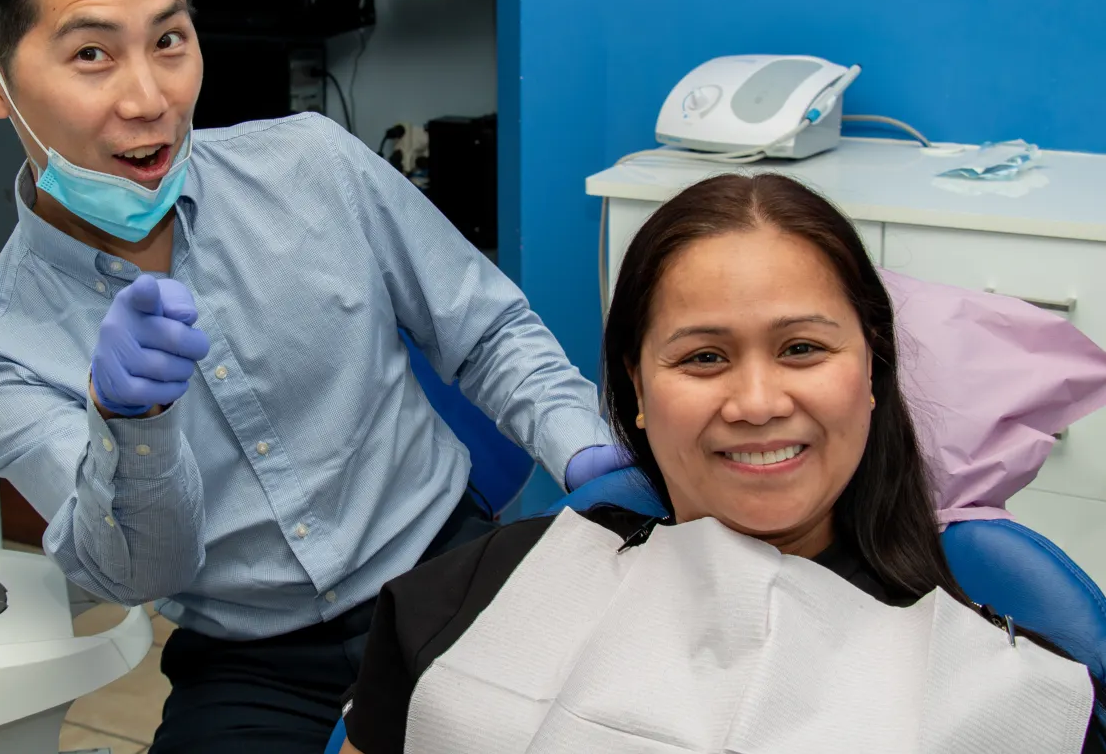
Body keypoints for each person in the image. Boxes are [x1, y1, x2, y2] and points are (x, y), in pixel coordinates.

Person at [0, 0, 625, 753]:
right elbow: (143, 572)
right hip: (254, 660)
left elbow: (484, 329)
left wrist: (582, 444)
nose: (150, 99)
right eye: (92, 54)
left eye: (170, 40)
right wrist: (131, 424)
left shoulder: (314, 163)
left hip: (447, 575)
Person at [340, 172, 1105, 754]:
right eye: (704, 356)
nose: (757, 400)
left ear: (871, 369)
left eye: (802, 347)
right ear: (636, 389)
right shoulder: (464, 601)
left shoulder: (1018, 694)